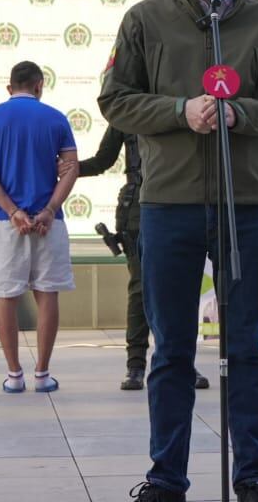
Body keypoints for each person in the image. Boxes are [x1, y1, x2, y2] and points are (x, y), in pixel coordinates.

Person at [98, 0, 258, 502]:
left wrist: (240, 114)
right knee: (172, 351)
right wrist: (177, 111)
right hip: (168, 205)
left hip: (247, 204)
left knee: (245, 348)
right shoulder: (144, 20)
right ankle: (166, 477)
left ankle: (252, 477)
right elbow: (115, 100)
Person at [0, 60, 78, 394]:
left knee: (6, 296)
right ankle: (43, 374)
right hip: (50, 222)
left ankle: (14, 375)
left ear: (9, 88)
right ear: (39, 85)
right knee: (47, 294)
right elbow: (71, 168)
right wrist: (48, 209)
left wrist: (13, 210)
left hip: (7, 223)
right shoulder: (56, 118)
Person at [78, 126, 210, 391]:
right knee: (141, 288)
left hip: (182, 202)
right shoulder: (129, 114)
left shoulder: (184, 109)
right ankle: (135, 365)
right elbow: (102, 161)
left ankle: (181, 360)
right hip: (138, 206)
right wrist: (64, 167)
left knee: (181, 290)